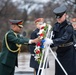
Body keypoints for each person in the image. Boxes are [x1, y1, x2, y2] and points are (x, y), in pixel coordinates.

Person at [45, 6, 76, 75]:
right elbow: (53, 36)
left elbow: (65, 38)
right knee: (59, 71)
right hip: (60, 51)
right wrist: (48, 42)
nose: (58, 19)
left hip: (69, 52)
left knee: (69, 71)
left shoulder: (69, 26)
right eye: (57, 17)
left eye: (60, 17)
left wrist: (53, 42)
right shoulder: (56, 26)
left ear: (65, 15)